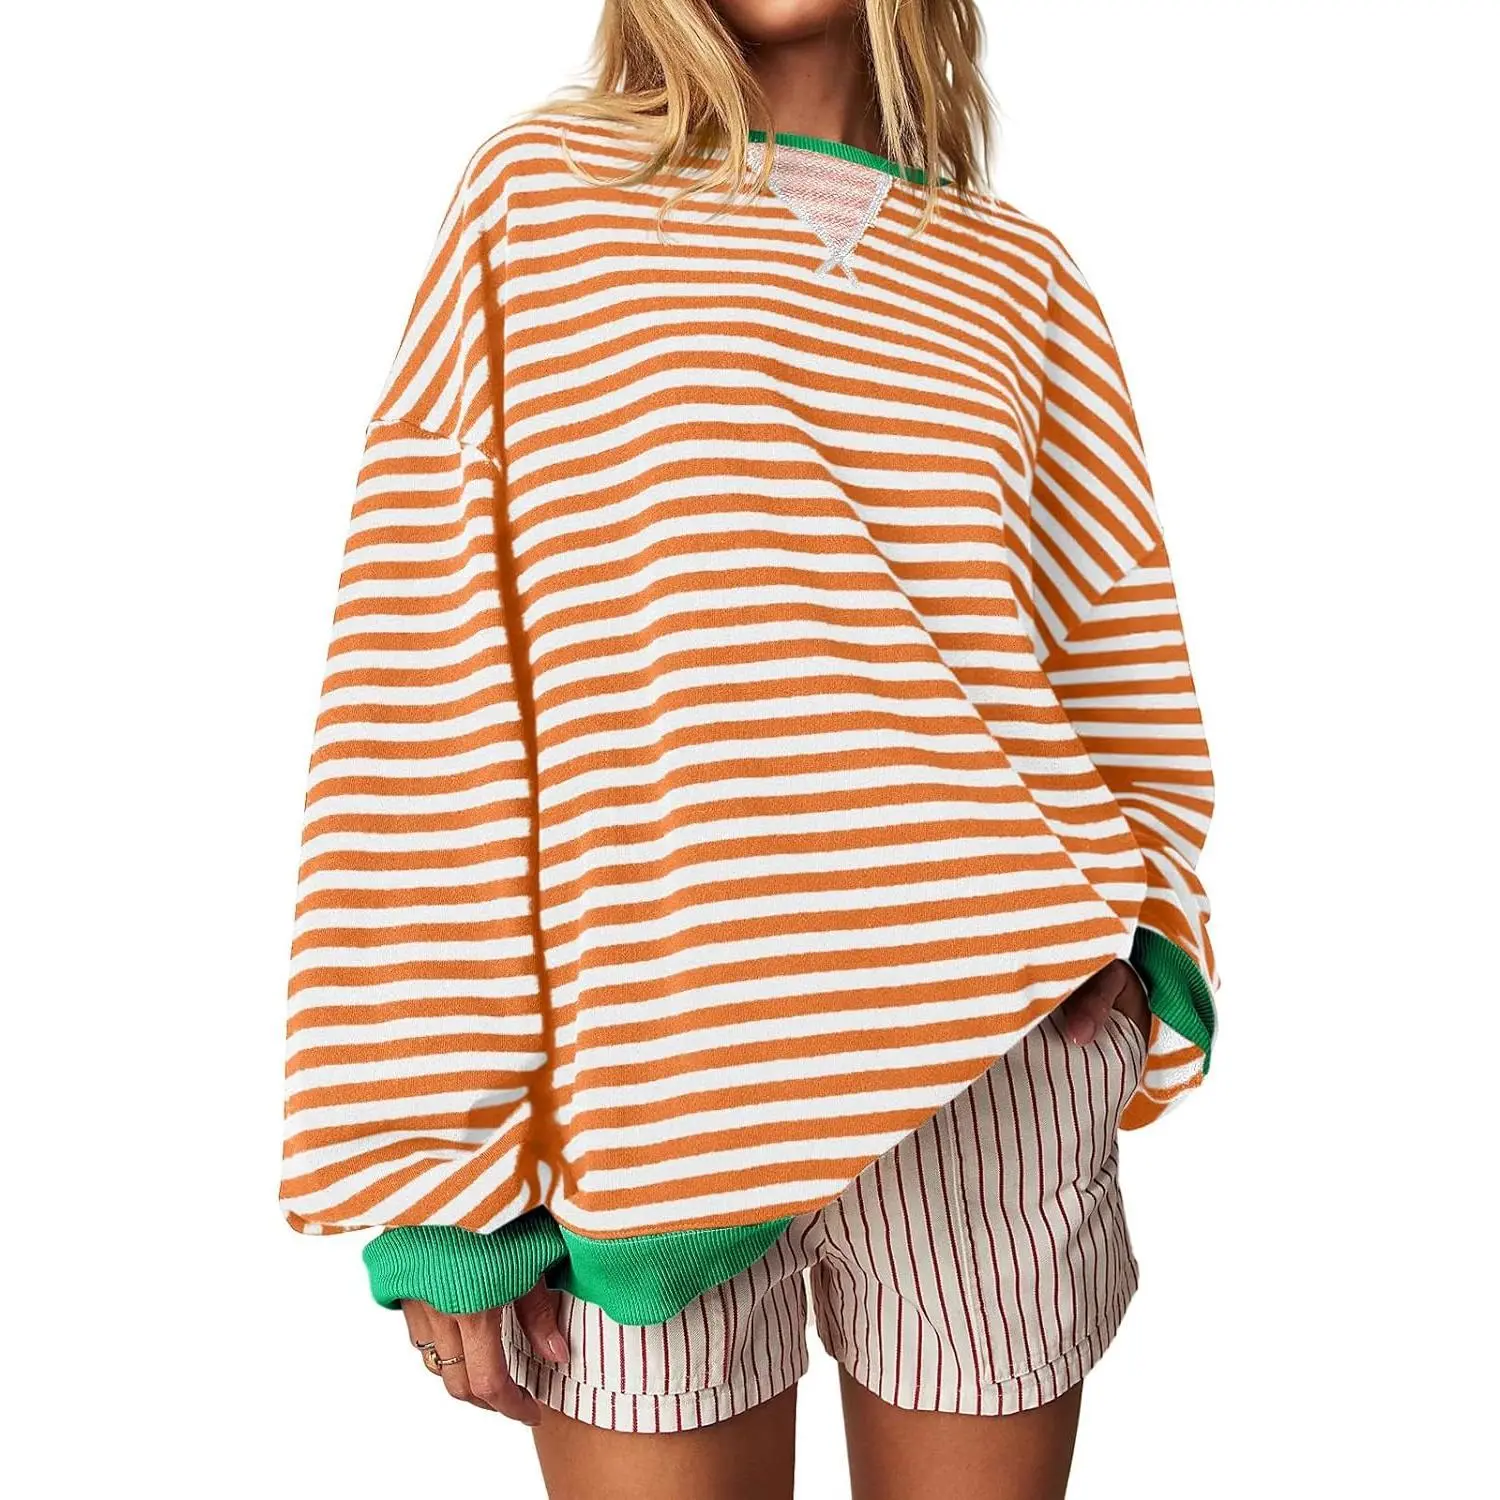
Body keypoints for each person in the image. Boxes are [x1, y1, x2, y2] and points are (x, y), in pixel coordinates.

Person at [279, 3, 1219, 1495]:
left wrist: (1147, 935)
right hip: (654, 1093)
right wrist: (438, 1163)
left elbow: (1113, 660)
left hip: (995, 1068)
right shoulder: (541, 202)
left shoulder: (1021, 279)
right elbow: (428, 664)